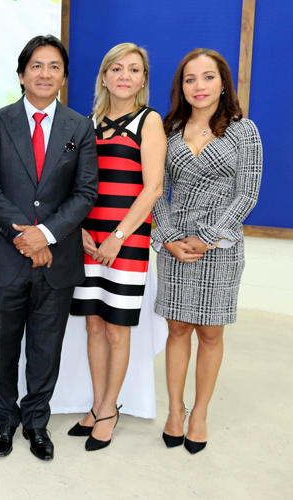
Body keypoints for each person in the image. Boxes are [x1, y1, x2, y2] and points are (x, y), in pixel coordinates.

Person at [0, 35, 99, 461]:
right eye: (37, 66)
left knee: (46, 349)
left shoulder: (79, 126)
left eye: (54, 67)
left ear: (64, 76)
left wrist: (44, 235)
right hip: (4, 256)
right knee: (2, 346)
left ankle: (37, 422)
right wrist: (24, 236)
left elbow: (84, 193)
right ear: (22, 73)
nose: (45, 74)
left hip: (57, 259)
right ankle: (4, 420)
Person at [152, 48, 262, 455]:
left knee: (210, 332)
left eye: (208, 77)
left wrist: (209, 236)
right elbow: (157, 190)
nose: (199, 86)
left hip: (220, 245)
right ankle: (175, 412)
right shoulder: (167, 129)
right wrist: (167, 237)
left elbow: (247, 192)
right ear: (181, 86)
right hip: (174, 243)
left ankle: (199, 414)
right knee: (177, 328)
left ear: (223, 83)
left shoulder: (243, 130)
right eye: (190, 79)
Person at [66, 43, 165, 451]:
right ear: (104, 76)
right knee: (93, 324)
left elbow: (153, 189)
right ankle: (96, 404)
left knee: (117, 330)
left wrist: (117, 237)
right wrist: (79, 233)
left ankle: (109, 409)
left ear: (143, 79)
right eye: (117, 68)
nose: (125, 76)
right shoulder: (87, 123)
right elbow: (74, 186)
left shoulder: (150, 121)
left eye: (134, 69)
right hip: (88, 241)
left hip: (126, 242)